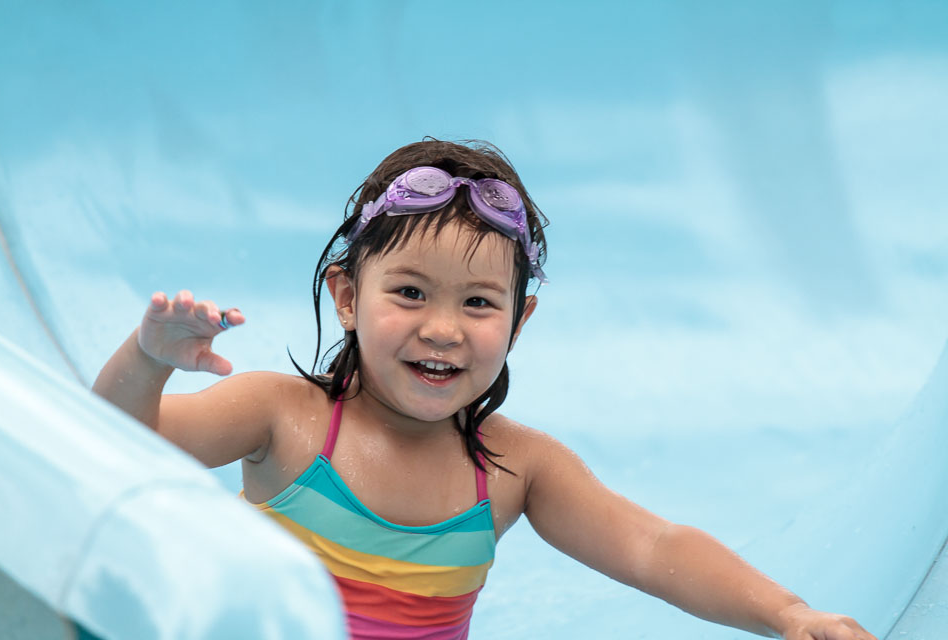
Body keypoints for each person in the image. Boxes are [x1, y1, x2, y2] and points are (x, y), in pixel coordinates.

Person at [94, 139, 877, 640]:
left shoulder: (514, 470)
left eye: (477, 302)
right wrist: (149, 357)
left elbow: (654, 548)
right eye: (410, 293)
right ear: (347, 296)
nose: (443, 329)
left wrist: (787, 614)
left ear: (519, 320)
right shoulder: (281, 417)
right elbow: (111, 448)